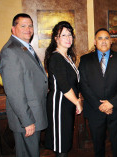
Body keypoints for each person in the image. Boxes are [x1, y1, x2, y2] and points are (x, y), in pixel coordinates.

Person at [0, 13, 48, 157]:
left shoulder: (23, 47)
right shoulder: (11, 51)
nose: (28, 29)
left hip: (32, 114)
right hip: (27, 119)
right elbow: (14, 92)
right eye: (23, 26)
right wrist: (27, 121)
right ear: (13, 29)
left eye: (30, 25)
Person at [79, 28, 117, 157]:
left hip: (116, 109)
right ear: (95, 41)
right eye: (100, 38)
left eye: (107, 38)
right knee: (98, 146)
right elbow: (83, 85)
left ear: (111, 41)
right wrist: (100, 105)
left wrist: (111, 103)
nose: (103, 41)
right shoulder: (85, 60)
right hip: (94, 110)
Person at [44, 21, 83, 157]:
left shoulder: (67, 57)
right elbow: (65, 86)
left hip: (67, 105)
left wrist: (76, 100)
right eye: (64, 35)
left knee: (64, 142)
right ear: (56, 38)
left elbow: (73, 83)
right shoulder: (56, 58)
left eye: (70, 35)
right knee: (61, 144)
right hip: (59, 106)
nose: (68, 38)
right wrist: (77, 102)